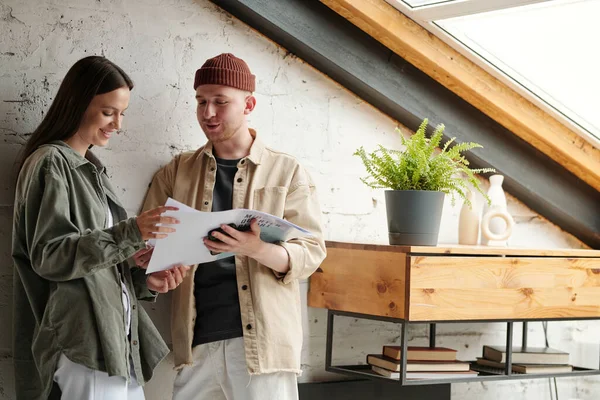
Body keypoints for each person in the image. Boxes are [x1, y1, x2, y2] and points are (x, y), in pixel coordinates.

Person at [141, 53, 327, 400]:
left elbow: (311, 252)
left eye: (220, 102)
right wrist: (154, 276)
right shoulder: (177, 171)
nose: (208, 113)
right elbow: (144, 246)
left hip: (263, 349)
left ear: (248, 104)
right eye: (201, 102)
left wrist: (255, 248)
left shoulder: (287, 172)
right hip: (195, 345)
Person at [12, 55, 190, 400]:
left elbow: (95, 266)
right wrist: (131, 232)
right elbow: (49, 256)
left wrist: (142, 273)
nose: (117, 124)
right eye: (109, 112)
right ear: (78, 103)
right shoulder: (51, 163)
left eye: (122, 114)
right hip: (82, 346)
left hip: (115, 345)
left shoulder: (93, 171)